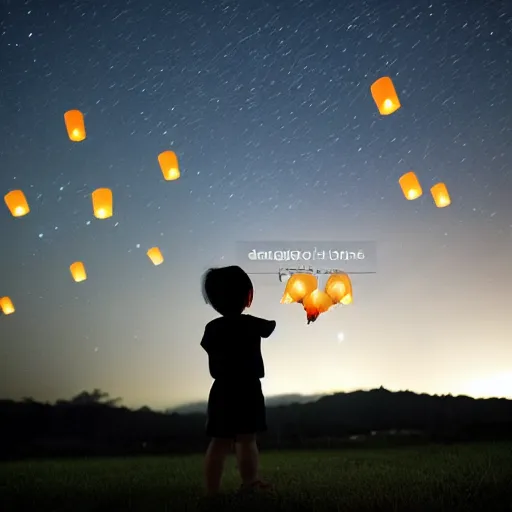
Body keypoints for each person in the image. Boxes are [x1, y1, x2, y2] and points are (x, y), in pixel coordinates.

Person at [200, 265, 276, 496]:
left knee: (219, 442)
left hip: (222, 390)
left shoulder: (212, 328)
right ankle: (250, 482)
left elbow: (207, 345)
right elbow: (270, 327)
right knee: (246, 439)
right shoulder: (251, 323)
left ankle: (211, 491)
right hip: (248, 388)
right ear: (248, 296)